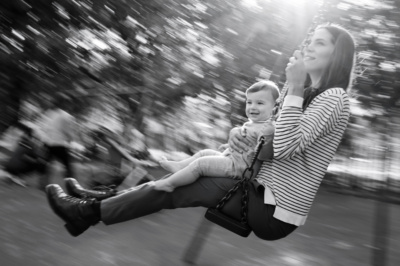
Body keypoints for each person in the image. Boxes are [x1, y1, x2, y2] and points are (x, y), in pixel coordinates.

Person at [45, 23, 355, 240]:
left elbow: (284, 146)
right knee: (181, 169)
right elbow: (269, 146)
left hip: (274, 208)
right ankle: (97, 203)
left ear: (337, 54)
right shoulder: (305, 97)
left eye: (320, 42)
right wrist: (241, 137)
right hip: (260, 190)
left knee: (182, 184)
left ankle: (90, 211)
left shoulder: (334, 98)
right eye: (310, 39)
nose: (309, 45)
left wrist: (296, 86)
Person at [155, 80, 279, 192]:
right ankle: (180, 166)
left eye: (260, 103)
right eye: (249, 102)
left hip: (240, 168)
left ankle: (170, 184)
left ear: (275, 108)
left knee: (201, 164)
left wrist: (268, 135)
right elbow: (245, 142)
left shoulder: (267, 128)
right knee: (204, 153)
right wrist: (229, 145)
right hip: (231, 158)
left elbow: (264, 154)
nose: (252, 107)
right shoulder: (254, 123)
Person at [38, 94, 77, 189]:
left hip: (47, 142)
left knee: (46, 163)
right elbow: (68, 131)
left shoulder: (49, 114)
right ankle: (71, 185)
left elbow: (43, 128)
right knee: (67, 165)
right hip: (59, 144)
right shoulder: (65, 116)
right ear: (65, 104)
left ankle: (43, 184)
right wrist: (71, 139)